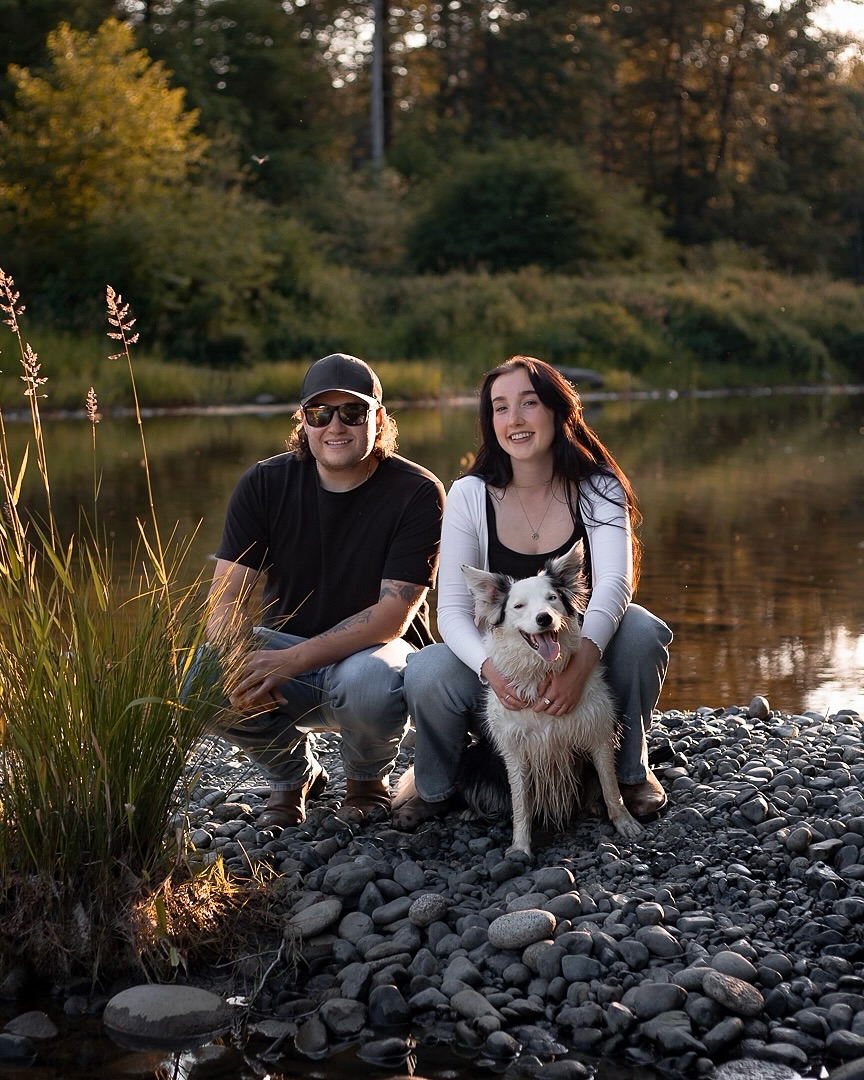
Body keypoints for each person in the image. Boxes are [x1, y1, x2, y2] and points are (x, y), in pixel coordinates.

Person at [397, 355, 672, 830]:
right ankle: (435, 788)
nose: (515, 420)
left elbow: (614, 583)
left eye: (529, 403)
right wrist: (491, 672)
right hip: (502, 663)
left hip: (578, 652)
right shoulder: (468, 494)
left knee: (644, 631)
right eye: (500, 409)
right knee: (425, 669)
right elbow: (452, 613)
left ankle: (630, 774)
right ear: (490, 423)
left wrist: (580, 665)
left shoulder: (599, 486)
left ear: (558, 412)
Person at [199, 353, 445, 827]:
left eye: (352, 412)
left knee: (366, 682)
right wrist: (231, 660)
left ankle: (366, 780)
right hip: (285, 658)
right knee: (202, 676)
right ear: (304, 422)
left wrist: (293, 660)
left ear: (377, 418)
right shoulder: (264, 483)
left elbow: (391, 616)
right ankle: (292, 778)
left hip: (377, 658)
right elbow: (228, 596)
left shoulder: (416, 491)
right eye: (320, 413)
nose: (336, 425)